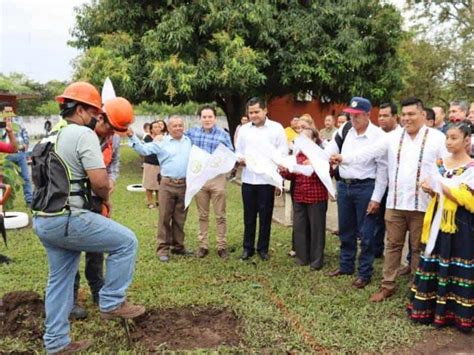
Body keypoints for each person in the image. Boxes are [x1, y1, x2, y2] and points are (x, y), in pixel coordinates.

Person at [32, 82, 144, 354]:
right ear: (80, 110)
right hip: (69, 218)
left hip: (43, 219)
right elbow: (99, 182)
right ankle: (111, 301)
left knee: (59, 280)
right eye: (94, 111)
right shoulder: (83, 135)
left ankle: (57, 344)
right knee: (126, 242)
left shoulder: (49, 136)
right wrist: (105, 198)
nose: (96, 116)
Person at [332, 97, 448, 302]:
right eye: (404, 115)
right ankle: (388, 286)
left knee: (418, 248)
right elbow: (369, 153)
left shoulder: (437, 138)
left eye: (411, 114)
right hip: (395, 202)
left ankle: (417, 287)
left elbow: (446, 167)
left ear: (423, 115)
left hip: (422, 203)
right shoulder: (393, 137)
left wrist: (436, 185)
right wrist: (345, 158)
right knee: (392, 245)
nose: (407, 118)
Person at [71, 97, 134, 320]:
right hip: (75, 199)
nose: (111, 134)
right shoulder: (78, 134)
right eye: (109, 128)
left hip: (98, 198)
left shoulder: (113, 138)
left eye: (116, 131)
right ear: (100, 117)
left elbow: (114, 163)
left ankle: (99, 289)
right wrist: (102, 190)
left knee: (97, 247)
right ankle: (71, 297)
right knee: (69, 251)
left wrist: (111, 181)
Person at [408, 120, 473, 333]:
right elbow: (436, 188)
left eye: (454, 138)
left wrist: (444, 189)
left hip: (461, 224)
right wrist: (430, 188)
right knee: (434, 258)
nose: (449, 142)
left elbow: (469, 199)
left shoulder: (471, 168)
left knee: (457, 262)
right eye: (447, 137)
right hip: (437, 219)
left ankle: (456, 314)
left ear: (467, 140)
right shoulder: (440, 163)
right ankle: (429, 308)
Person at [325, 97, 387, 290]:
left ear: (368, 115)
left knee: (367, 233)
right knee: (345, 229)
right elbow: (329, 151)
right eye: (350, 115)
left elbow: (382, 170)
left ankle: (364, 272)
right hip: (344, 186)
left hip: (366, 187)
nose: (353, 119)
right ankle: (346, 265)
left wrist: (376, 198)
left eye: (357, 116)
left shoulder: (379, 137)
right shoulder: (345, 131)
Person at [128, 115, 193, 262]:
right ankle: (162, 249)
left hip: (185, 184)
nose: (178, 128)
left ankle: (178, 247)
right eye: (174, 126)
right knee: (164, 216)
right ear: (168, 128)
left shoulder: (189, 141)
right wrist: (132, 136)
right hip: (167, 184)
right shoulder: (161, 141)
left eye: (180, 125)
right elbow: (143, 150)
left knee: (180, 217)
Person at [235, 97, 288, 261]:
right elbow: (238, 150)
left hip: (267, 179)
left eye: (257, 111)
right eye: (250, 112)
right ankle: (247, 248)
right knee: (249, 216)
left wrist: (279, 170)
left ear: (265, 111)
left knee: (265, 216)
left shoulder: (276, 128)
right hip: (249, 179)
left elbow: (282, 151)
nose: (253, 115)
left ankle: (263, 249)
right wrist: (240, 159)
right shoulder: (244, 130)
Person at [185, 105, 234, 259]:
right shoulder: (192, 133)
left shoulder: (222, 134)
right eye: (204, 117)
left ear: (215, 118)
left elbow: (231, 153)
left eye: (210, 116)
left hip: (217, 178)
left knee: (220, 215)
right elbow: (179, 139)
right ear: (200, 118)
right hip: (199, 178)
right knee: (202, 214)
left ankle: (221, 246)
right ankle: (203, 245)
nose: (207, 119)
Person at [279, 127, 330, 270]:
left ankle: (316, 261)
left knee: (316, 229)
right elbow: (292, 175)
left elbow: (330, 171)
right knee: (300, 227)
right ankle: (302, 257)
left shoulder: (321, 154)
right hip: (299, 196)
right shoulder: (298, 155)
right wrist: (284, 170)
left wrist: (316, 165)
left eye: (306, 138)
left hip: (316, 197)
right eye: (301, 139)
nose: (303, 142)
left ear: (314, 139)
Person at [373, 102, 400, 259]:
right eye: (380, 116)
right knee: (377, 219)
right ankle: (377, 250)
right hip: (376, 183)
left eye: (385, 116)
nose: (381, 119)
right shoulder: (375, 134)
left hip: (395, 186)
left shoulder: (403, 135)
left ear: (395, 117)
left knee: (394, 223)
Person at [4, 115, 32, 206]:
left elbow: (24, 132)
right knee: (6, 179)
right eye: (6, 111)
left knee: (26, 177)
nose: (8, 113)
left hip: (20, 152)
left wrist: (26, 143)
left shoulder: (18, 119)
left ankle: (29, 200)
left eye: (9, 110)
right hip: (6, 154)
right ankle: (6, 201)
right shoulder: (1, 122)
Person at [143, 120, 166, 209]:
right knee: (149, 184)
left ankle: (158, 201)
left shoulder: (163, 138)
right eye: (155, 127)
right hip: (150, 163)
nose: (157, 128)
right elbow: (146, 149)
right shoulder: (148, 138)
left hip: (160, 163)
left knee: (159, 184)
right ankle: (150, 202)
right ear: (151, 129)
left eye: (159, 127)